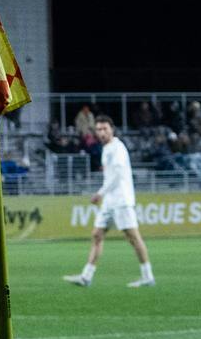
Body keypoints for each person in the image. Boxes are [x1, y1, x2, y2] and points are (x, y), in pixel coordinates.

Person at [65, 117, 155, 288]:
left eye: (105, 128)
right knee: (97, 235)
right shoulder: (106, 149)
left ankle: (147, 276)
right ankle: (86, 276)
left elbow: (118, 175)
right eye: (98, 129)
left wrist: (100, 193)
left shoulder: (117, 148)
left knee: (134, 238)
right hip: (109, 201)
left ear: (112, 129)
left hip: (121, 200)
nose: (102, 132)